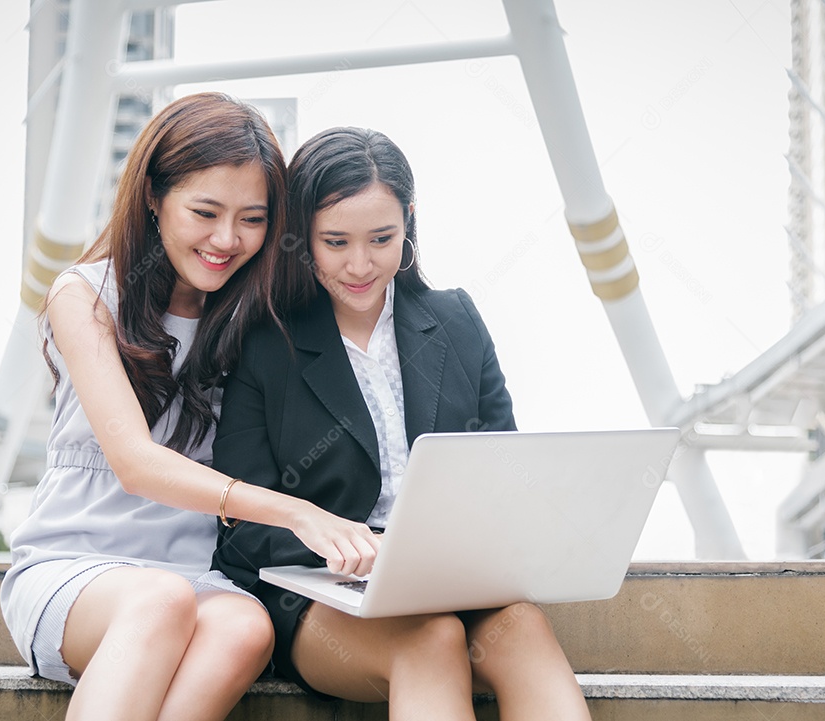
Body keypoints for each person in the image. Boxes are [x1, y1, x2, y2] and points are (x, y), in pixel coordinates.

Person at [0, 94, 379, 721]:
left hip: (193, 572)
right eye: (205, 211)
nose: (226, 239)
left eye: (252, 219)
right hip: (76, 567)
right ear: (153, 196)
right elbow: (136, 464)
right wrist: (297, 513)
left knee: (246, 629)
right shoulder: (87, 295)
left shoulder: (254, 318)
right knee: (159, 601)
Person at [211, 127, 592, 720]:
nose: (359, 265)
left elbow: (504, 471)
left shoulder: (456, 320)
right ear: (301, 237)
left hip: (450, 579)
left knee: (523, 627)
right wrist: (347, 548)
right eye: (334, 242)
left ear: (408, 223)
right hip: (315, 594)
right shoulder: (266, 342)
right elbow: (240, 521)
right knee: (430, 637)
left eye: (382, 239)